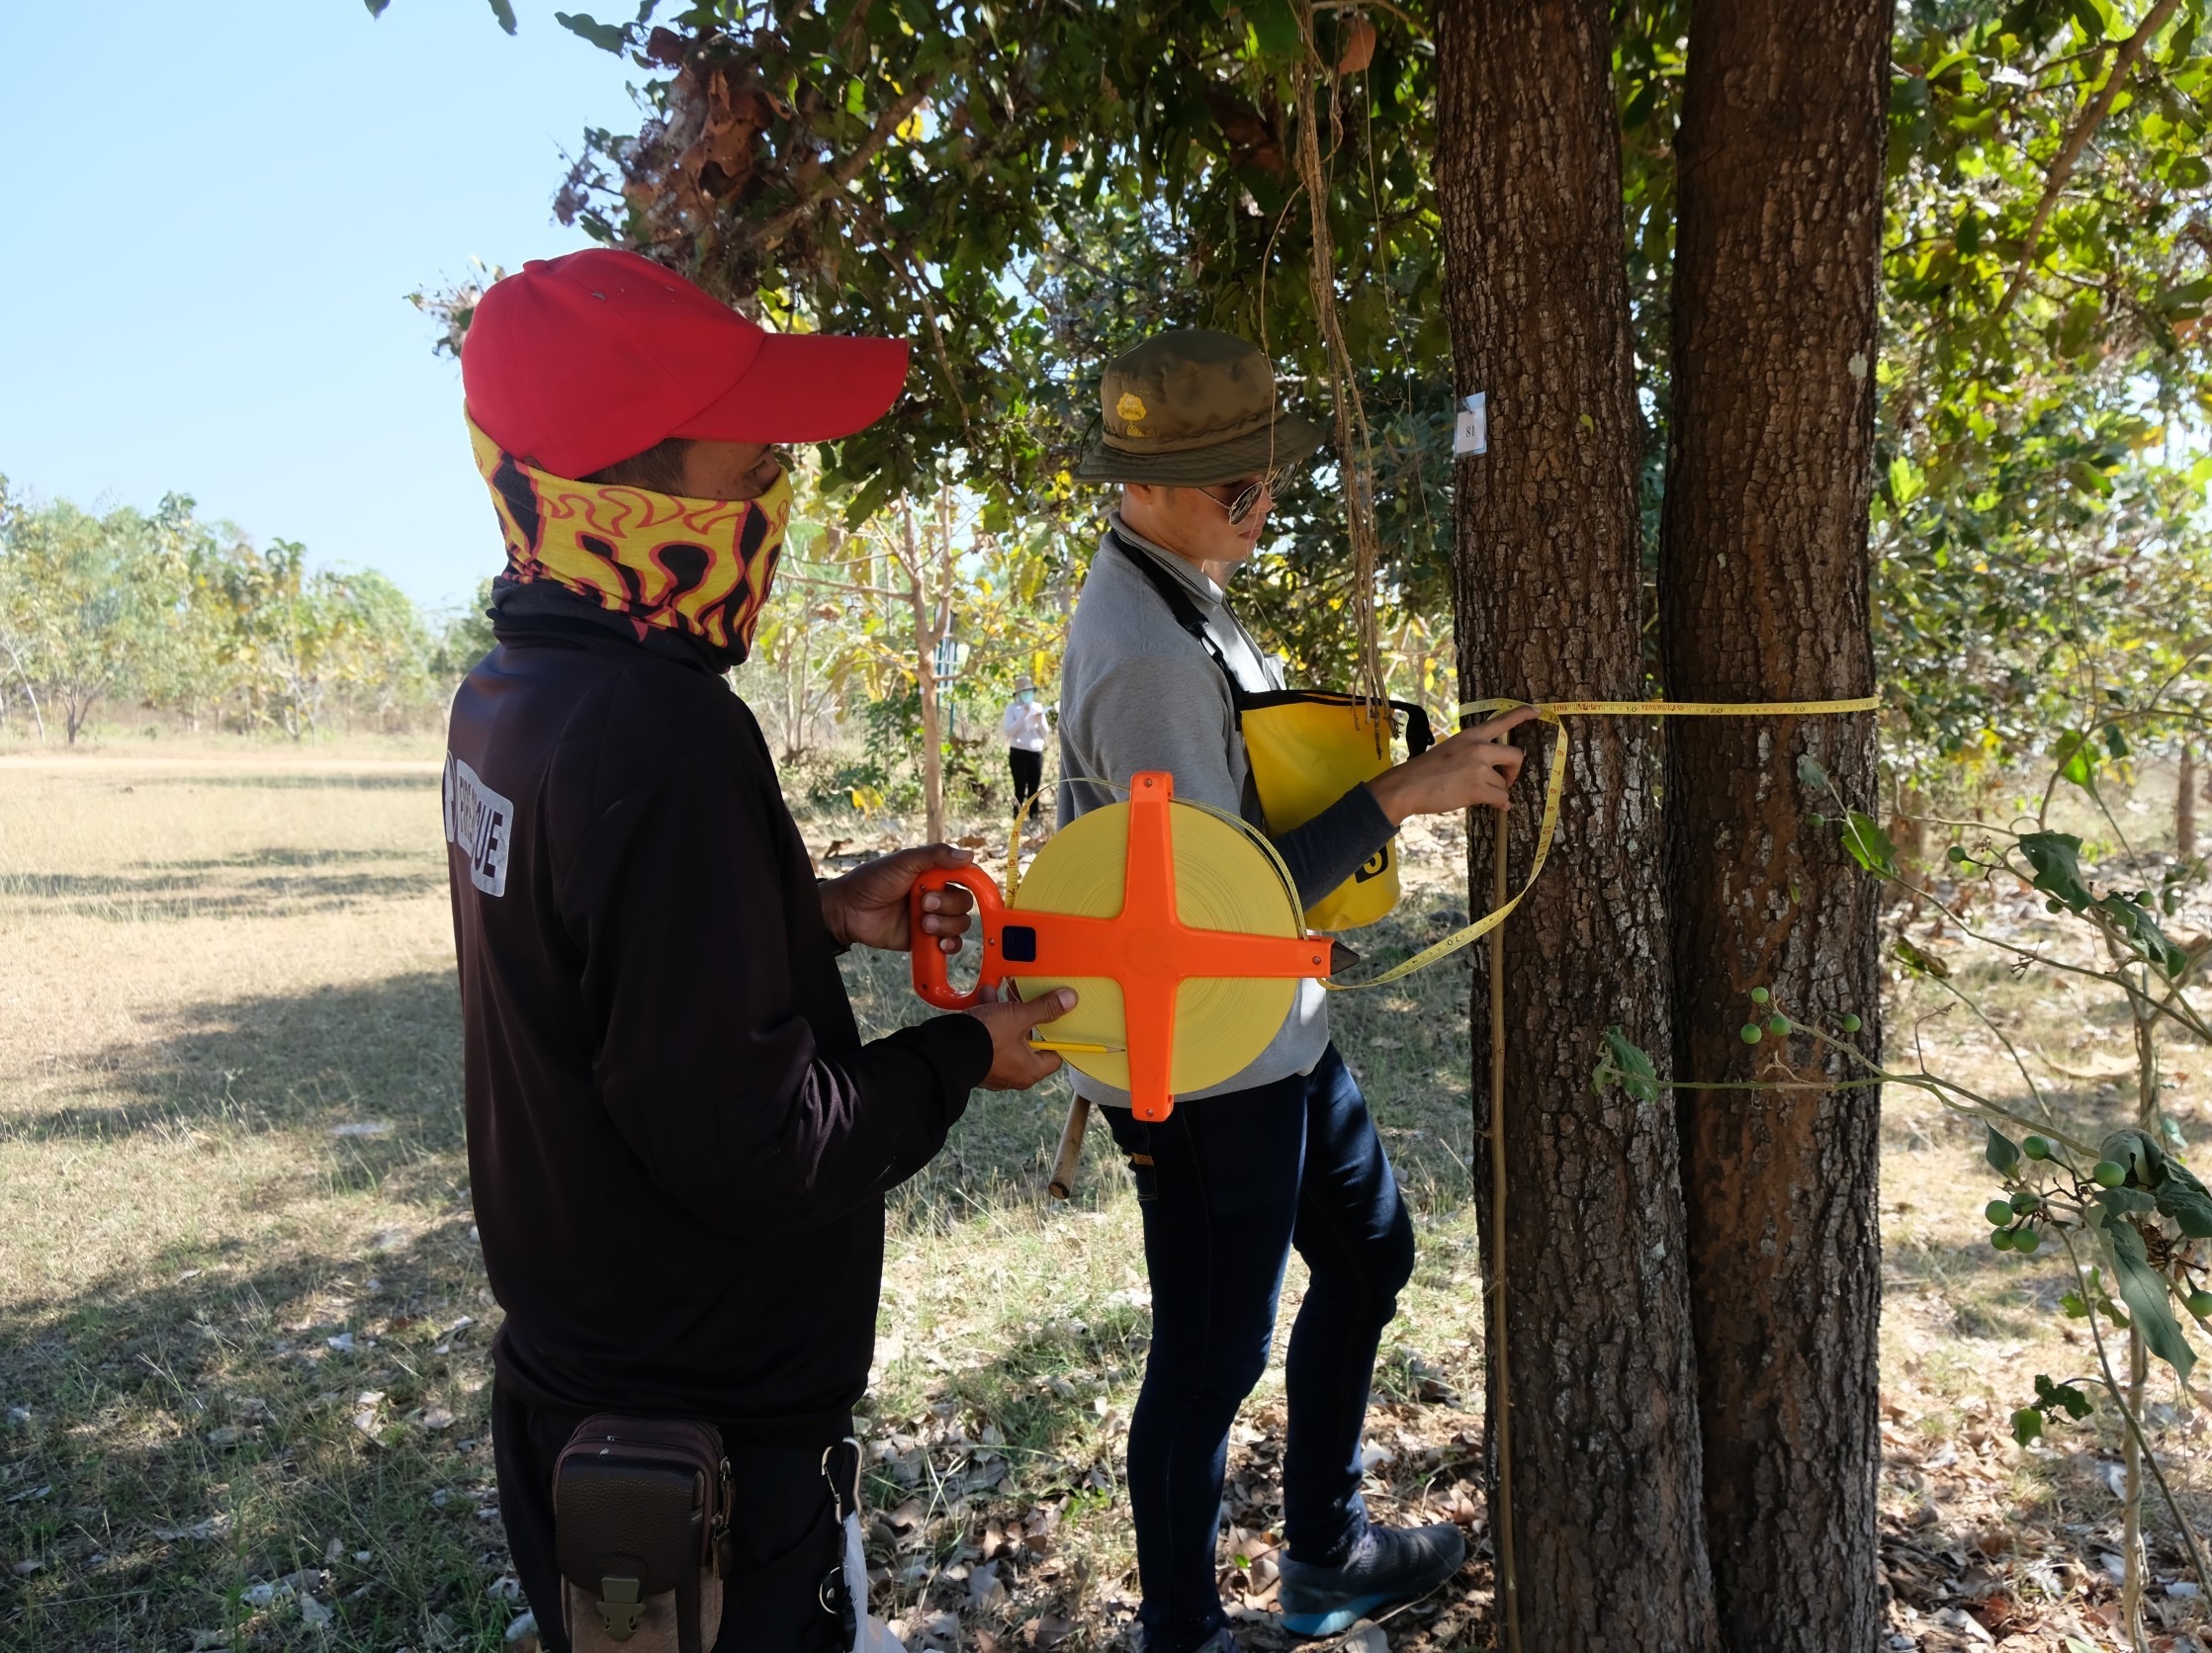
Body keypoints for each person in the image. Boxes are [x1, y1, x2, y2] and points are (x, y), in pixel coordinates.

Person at [443, 247, 1074, 1653]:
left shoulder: (515, 692)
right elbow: (760, 1146)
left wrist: (812, 913)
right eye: (755, 463)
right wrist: (960, 1053)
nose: (782, 493)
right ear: (633, 499)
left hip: (581, 1392)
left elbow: (601, 960)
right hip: (704, 1450)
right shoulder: (661, 734)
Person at [1058, 328, 1537, 1653]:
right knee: (1209, 1361)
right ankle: (1183, 1631)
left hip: (1277, 1036)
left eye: (1267, 475)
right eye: (1234, 484)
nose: (1260, 503)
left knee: (1370, 1254)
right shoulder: (1150, 655)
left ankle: (1326, 1553)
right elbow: (1224, 904)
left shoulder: (1181, 589)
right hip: (1204, 1061)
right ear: (1141, 482)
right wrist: (1403, 793)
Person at [1001, 676, 1048, 821]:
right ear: (1018, 693)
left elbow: (1045, 732)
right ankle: (1017, 817)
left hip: (1035, 752)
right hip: (1018, 752)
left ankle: (1034, 816)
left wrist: (1039, 721)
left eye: (1029, 691)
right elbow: (1009, 731)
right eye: (1024, 691)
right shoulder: (1012, 709)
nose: (1028, 694)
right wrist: (1023, 715)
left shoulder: (1038, 707)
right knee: (1019, 787)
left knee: (1034, 787)